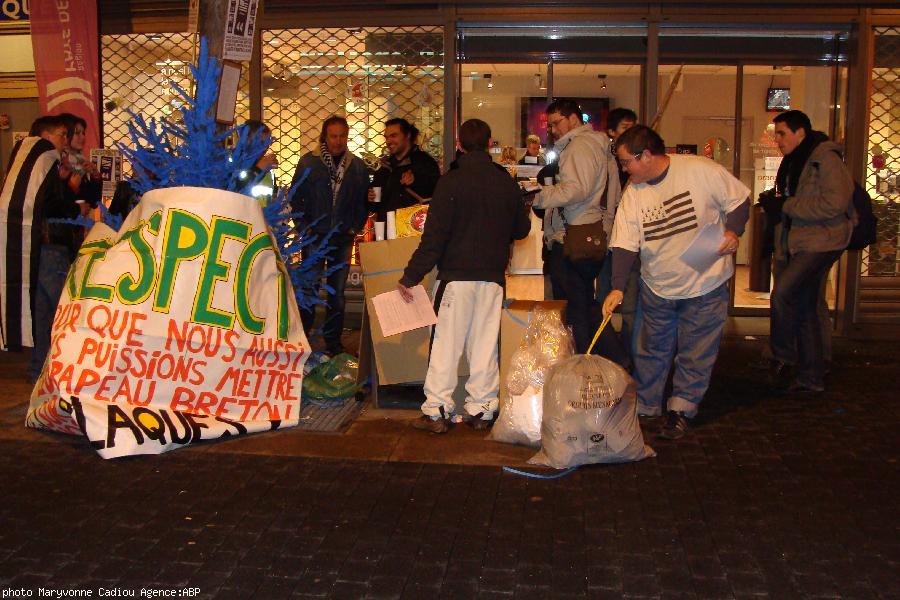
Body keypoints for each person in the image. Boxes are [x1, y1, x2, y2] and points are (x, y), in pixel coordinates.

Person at [602, 125, 750, 440]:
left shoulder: (699, 170)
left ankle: (682, 407)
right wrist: (617, 286)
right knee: (651, 349)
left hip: (705, 282)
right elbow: (626, 243)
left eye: (627, 161)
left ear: (646, 156)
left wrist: (733, 230)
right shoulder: (634, 192)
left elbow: (738, 201)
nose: (624, 168)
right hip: (658, 286)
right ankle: (647, 406)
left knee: (696, 351)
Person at [398, 118, 530, 433]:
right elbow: (522, 229)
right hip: (492, 278)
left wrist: (410, 277)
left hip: (456, 277)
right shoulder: (505, 182)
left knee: (446, 344)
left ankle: (437, 410)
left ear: (459, 144)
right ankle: (483, 410)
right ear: (489, 143)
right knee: (485, 346)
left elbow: (434, 238)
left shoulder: (450, 182)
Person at [760, 110, 852, 393]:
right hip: (801, 242)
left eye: (782, 133)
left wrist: (785, 205)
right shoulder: (796, 161)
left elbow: (834, 203)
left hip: (821, 241)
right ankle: (810, 372)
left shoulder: (824, 159)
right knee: (805, 305)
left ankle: (786, 357)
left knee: (785, 294)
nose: (777, 140)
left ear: (800, 133)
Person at [531, 98, 626, 365]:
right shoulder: (598, 146)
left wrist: (538, 196)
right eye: (550, 125)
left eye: (556, 123)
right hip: (590, 233)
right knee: (585, 304)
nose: (553, 130)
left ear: (574, 119)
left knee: (576, 309)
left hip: (573, 236)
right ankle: (613, 360)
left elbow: (575, 190)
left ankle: (583, 366)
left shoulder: (580, 147)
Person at [0, 116, 80, 381]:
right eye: (62, 135)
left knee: (44, 310)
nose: (65, 141)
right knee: (57, 309)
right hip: (49, 247)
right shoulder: (44, 158)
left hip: (41, 247)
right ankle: (50, 369)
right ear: (44, 136)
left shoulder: (27, 164)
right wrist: (74, 206)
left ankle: (41, 369)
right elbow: (53, 205)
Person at [289, 115, 369, 355]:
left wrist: (354, 226)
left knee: (337, 293)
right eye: (334, 136)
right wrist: (304, 226)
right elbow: (295, 197)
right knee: (310, 289)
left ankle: (332, 342)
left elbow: (362, 201)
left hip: (342, 236)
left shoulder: (356, 166)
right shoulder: (309, 163)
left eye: (342, 136)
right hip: (315, 235)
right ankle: (303, 338)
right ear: (325, 136)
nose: (338, 141)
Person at [596, 107, 640, 360]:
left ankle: (629, 357)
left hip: (632, 242)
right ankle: (607, 354)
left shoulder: (637, 165)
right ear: (612, 132)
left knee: (632, 306)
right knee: (605, 299)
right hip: (609, 239)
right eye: (624, 127)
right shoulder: (604, 161)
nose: (630, 131)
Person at [368, 118, 440, 219]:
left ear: (408, 135)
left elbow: (437, 194)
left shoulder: (424, 162)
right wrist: (370, 197)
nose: (388, 141)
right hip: (387, 230)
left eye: (393, 136)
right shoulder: (385, 167)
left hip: (413, 229)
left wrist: (415, 182)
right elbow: (375, 205)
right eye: (386, 137)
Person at [57, 113, 102, 214]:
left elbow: (93, 202)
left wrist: (96, 177)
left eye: (83, 133)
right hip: (61, 226)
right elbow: (55, 204)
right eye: (77, 133)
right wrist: (71, 186)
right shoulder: (57, 162)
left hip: (78, 226)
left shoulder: (80, 163)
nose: (82, 137)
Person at [238, 120, 277, 205]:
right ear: (246, 139)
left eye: (267, 143)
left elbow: (271, 196)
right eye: (261, 142)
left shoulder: (268, 169)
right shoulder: (232, 162)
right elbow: (234, 188)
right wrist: (258, 169)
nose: (264, 148)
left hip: (262, 216)